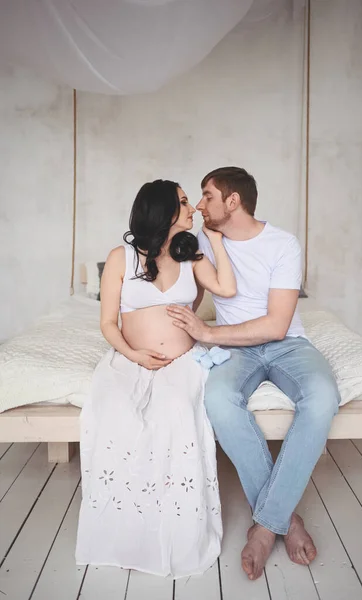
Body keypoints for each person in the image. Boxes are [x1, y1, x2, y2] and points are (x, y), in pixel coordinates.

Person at [167, 167, 341, 581]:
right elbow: (182, 293)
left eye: (207, 195)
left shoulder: (282, 244)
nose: (200, 204)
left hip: (287, 344)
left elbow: (277, 325)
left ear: (232, 201)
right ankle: (284, 519)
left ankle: (265, 526)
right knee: (218, 399)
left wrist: (209, 331)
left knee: (322, 396)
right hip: (234, 350)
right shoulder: (203, 246)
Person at [75, 179, 237, 578]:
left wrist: (214, 239)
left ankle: (177, 531)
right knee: (114, 412)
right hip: (130, 359)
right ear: (163, 211)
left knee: (176, 413)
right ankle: (127, 534)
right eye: (184, 203)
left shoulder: (191, 252)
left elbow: (227, 289)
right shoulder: (121, 257)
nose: (193, 209)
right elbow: (107, 323)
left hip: (183, 361)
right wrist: (132, 354)